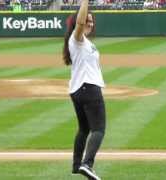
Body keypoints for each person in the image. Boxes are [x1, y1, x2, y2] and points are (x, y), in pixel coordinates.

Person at [62, 0, 105, 179]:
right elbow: (80, 22)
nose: (90, 23)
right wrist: (85, 2)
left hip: (78, 90)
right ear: (78, 22)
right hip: (89, 88)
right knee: (99, 129)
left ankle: (76, 165)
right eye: (87, 20)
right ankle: (87, 164)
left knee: (84, 129)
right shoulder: (77, 38)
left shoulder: (84, 42)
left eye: (92, 21)